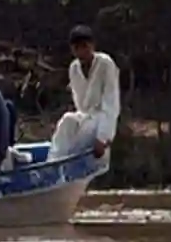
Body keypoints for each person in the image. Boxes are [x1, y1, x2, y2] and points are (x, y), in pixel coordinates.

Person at [47, 25, 121, 160]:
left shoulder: (105, 64)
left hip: (101, 120)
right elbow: (79, 105)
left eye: (84, 46)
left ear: (92, 46)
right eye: (76, 48)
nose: (81, 52)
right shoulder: (74, 68)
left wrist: (103, 137)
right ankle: (52, 162)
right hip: (85, 117)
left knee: (78, 142)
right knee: (67, 120)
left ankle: (66, 161)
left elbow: (111, 103)